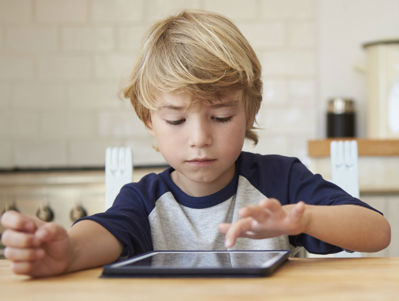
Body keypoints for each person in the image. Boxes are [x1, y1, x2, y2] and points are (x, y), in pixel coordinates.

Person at [0, 10, 390, 278]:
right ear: (149, 121)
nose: (200, 138)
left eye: (221, 117)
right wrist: (63, 251)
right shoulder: (144, 201)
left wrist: (302, 219)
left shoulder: (279, 180)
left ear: (250, 112)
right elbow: (91, 242)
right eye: (176, 119)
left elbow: (377, 232)